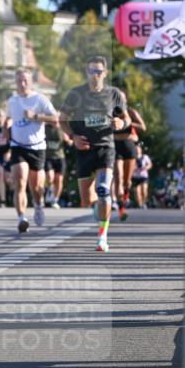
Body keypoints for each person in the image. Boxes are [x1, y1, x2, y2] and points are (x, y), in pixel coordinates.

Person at [59, 54, 130, 252]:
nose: (95, 75)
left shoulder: (114, 94)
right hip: (84, 149)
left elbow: (127, 119)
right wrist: (73, 137)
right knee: (86, 199)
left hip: (105, 147)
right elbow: (62, 119)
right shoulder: (76, 94)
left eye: (99, 71)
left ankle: (102, 237)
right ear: (86, 72)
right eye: (91, 71)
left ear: (105, 73)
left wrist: (121, 123)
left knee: (103, 190)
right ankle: (98, 210)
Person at [4, 69, 58, 234]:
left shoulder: (40, 99)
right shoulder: (12, 101)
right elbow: (8, 119)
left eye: (25, 81)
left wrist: (36, 116)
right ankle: (22, 218)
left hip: (37, 147)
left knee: (36, 187)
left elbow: (55, 119)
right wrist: (5, 128)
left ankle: (38, 204)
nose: (22, 84)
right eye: (19, 81)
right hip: (18, 146)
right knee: (20, 182)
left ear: (31, 82)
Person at [113, 96, 146, 220]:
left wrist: (127, 121)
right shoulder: (111, 111)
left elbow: (143, 127)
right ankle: (120, 206)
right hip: (115, 145)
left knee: (127, 181)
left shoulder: (131, 112)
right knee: (118, 176)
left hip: (128, 145)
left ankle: (125, 198)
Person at [44, 120, 72, 209]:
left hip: (60, 157)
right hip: (48, 157)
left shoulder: (62, 128)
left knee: (59, 179)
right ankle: (49, 190)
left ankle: (55, 200)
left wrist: (67, 140)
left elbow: (71, 142)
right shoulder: (45, 127)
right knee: (50, 177)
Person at [131, 144, 152, 209]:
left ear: (140, 150)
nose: (137, 150)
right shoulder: (132, 157)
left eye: (138, 149)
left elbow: (149, 164)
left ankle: (144, 202)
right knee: (137, 191)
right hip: (135, 176)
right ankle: (140, 204)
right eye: (136, 149)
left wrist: (145, 167)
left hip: (143, 176)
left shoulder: (145, 157)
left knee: (144, 189)